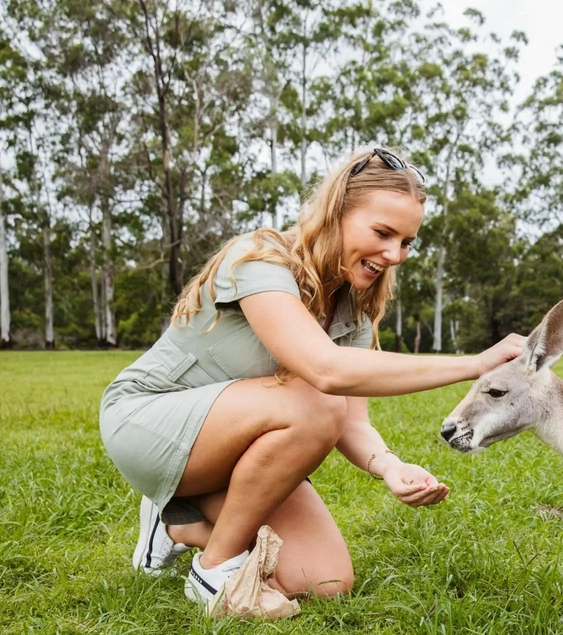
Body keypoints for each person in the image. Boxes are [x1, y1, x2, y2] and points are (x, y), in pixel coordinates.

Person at [99, 147, 525, 610]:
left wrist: (390, 466)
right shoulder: (260, 260)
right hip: (146, 425)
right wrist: (475, 364)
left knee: (324, 580)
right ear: (335, 212)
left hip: (228, 451)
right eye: (383, 233)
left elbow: (351, 421)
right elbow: (326, 373)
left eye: (406, 242)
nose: (395, 254)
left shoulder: (353, 307)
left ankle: (175, 525)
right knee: (317, 400)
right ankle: (213, 574)